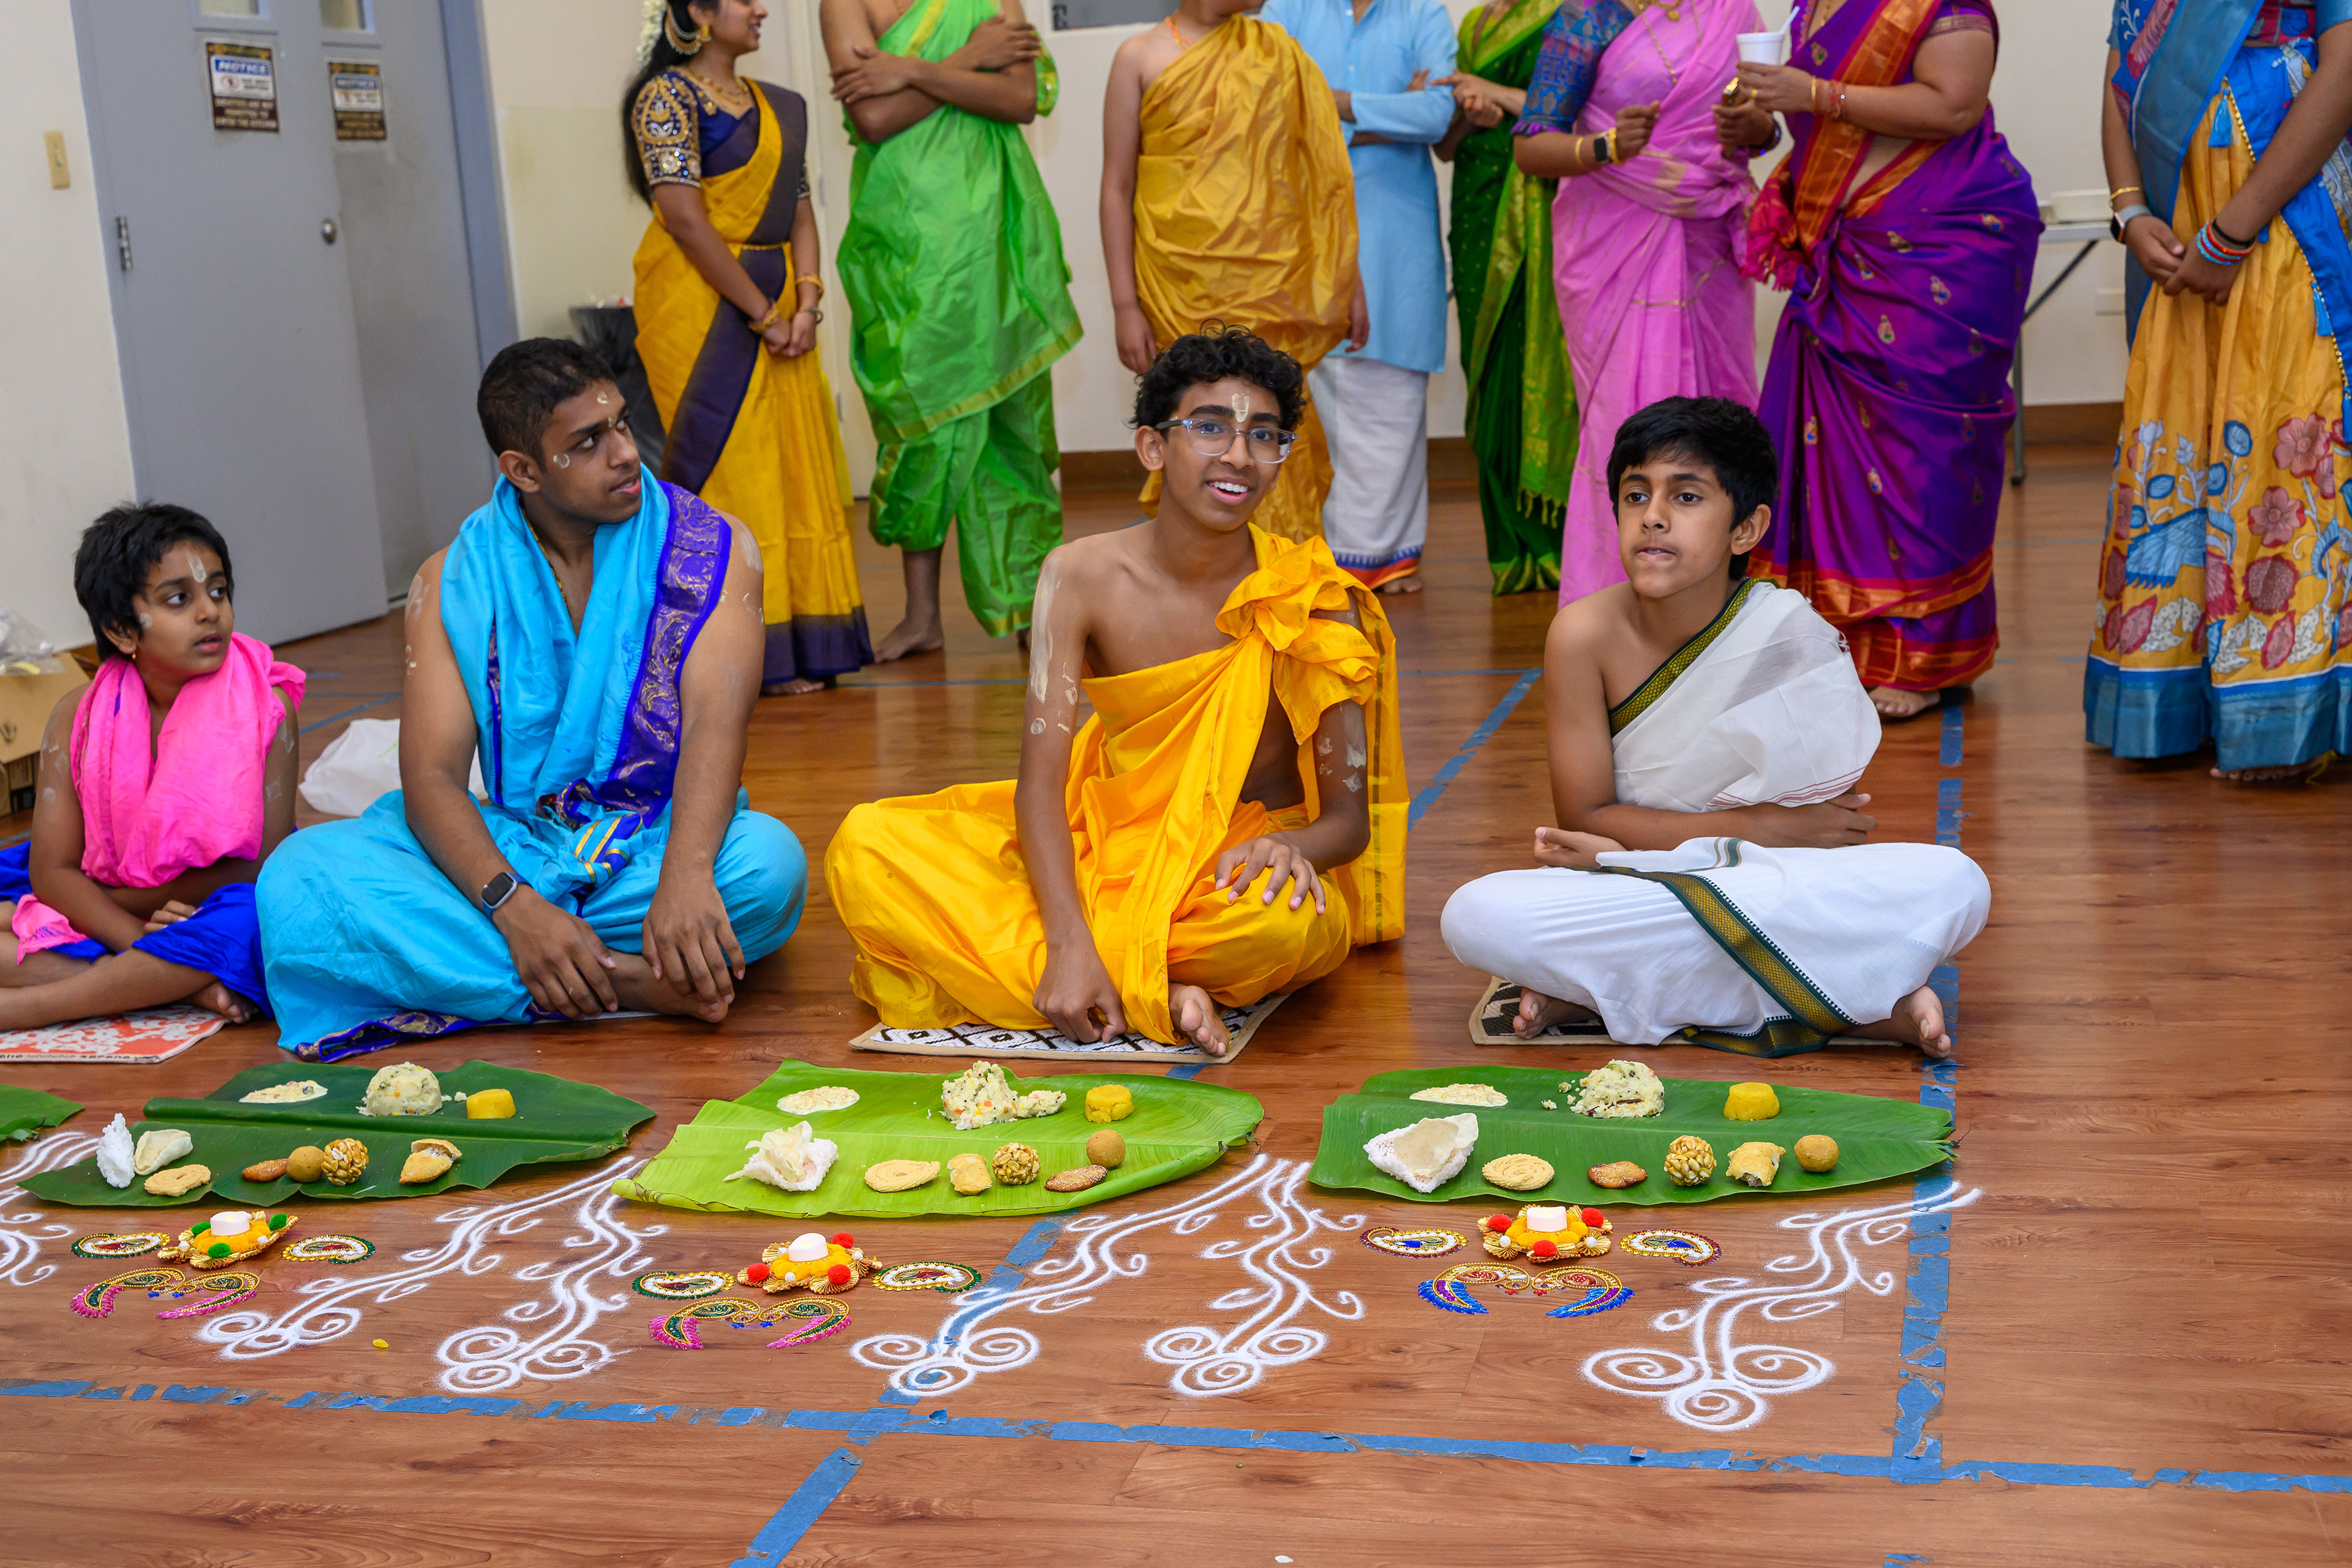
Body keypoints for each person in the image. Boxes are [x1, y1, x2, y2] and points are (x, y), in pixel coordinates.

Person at [826, 328, 1406, 1055]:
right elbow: (1040, 788)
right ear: (1152, 447)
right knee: (867, 847)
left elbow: (1349, 822)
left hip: (1232, 869)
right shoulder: (1078, 577)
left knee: (1284, 927)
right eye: (1210, 427)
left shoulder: (1312, 595)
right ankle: (1149, 984)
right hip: (1107, 841)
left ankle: (1098, 971)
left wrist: (1292, 847)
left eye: (1264, 435)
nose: (1238, 455)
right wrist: (1068, 938)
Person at [257, 339, 807, 1061]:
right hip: (519, 848)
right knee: (296, 881)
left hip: (653, 845)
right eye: (589, 442)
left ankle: (542, 970)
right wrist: (515, 908)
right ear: (523, 471)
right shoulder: (452, 580)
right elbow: (432, 779)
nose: (626, 453)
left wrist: (686, 874)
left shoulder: (710, 547)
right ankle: (627, 981)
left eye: (621, 423)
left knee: (769, 868)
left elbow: (715, 719)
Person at [1441, 398, 1989, 1058]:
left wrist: (1655, 854)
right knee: (1475, 914)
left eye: (1687, 496)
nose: (1653, 516)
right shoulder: (1583, 634)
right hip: (1633, 880)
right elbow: (1586, 817)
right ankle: (1860, 1006)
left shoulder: (1787, 634)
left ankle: (1608, 996)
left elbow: (1807, 854)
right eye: (1636, 494)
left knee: (1955, 881)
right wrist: (1752, 831)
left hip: (1746, 883)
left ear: (1747, 528)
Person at [1720, 0, 2037, 721]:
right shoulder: (1812, 7)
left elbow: (1955, 105)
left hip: (1940, 241)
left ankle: (1922, 655)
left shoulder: (1941, 7)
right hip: (1845, 243)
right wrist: (1762, 123)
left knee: (1921, 449)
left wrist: (1814, 93)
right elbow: (1823, 123)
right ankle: (1835, 646)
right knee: (1825, 456)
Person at [2086, 0, 2352, 780]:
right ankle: (2193, 697)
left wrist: (2233, 232)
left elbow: (2345, 68)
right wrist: (2130, 208)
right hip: (2180, 231)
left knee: (2282, 446)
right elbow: (2125, 70)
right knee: (2190, 439)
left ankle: (2288, 717)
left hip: (2286, 220)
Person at [625, 0, 873, 696]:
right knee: (733, 475)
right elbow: (683, 218)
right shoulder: (666, 97)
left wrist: (808, 303)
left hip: (783, 310)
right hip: (703, 309)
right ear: (699, 12)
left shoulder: (781, 107)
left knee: (793, 469)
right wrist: (762, 313)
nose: (760, 8)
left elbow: (801, 213)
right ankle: (738, 653)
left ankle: (804, 642)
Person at [823, 0, 1080, 658]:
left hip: (996, 237)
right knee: (921, 422)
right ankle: (922, 617)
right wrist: (970, 62)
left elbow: (1020, 98)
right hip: (907, 241)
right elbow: (873, 118)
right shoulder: (845, 5)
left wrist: (911, 70)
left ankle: (1029, 609)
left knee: (1015, 423)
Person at [0, 505, 300, 1031]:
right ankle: (171, 984)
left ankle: (33, 1006)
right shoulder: (78, 715)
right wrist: (139, 936)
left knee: (257, 922)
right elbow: (53, 872)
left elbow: (263, 866)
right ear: (122, 631)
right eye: (179, 599)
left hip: (209, 903)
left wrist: (122, 906)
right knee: (29, 900)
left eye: (218, 591)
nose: (209, 612)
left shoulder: (267, 708)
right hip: (109, 902)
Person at [1512, 0, 1760, 608]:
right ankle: (1621, 608)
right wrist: (1605, 147)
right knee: (1631, 430)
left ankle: (1717, 603)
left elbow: (1765, 130)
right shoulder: (1589, 16)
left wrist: (1753, 130)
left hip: (1707, 244)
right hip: (1613, 247)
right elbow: (1531, 147)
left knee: (1721, 426)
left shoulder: (1731, 11)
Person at [1102, 0, 1365, 546]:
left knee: (1274, 428)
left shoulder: (1279, 53)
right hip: (1179, 287)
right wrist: (1125, 305)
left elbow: (1318, 180)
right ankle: (1199, 578)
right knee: (1198, 427)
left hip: (1275, 287)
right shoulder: (1139, 58)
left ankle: (1283, 574)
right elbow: (1117, 188)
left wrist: (1347, 279)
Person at [1262, 0, 1457, 594]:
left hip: (1397, 239)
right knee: (1311, 398)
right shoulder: (1286, 9)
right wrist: (1388, 113)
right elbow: (1271, 107)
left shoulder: (1422, 13)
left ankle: (1388, 557)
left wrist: (1336, 105)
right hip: (1304, 231)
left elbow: (1437, 113)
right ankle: (1321, 557)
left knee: (1392, 396)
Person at [1435, 0, 1576, 597]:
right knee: (1487, 368)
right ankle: (1509, 550)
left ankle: (1557, 545)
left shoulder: (1567, 15)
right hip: (1478, 207)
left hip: (1542, 205)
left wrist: (1492, 91)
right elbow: (1446, 146)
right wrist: (1472, 112)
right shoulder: (1475, 26)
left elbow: (1576, 116)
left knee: (1542, 366)